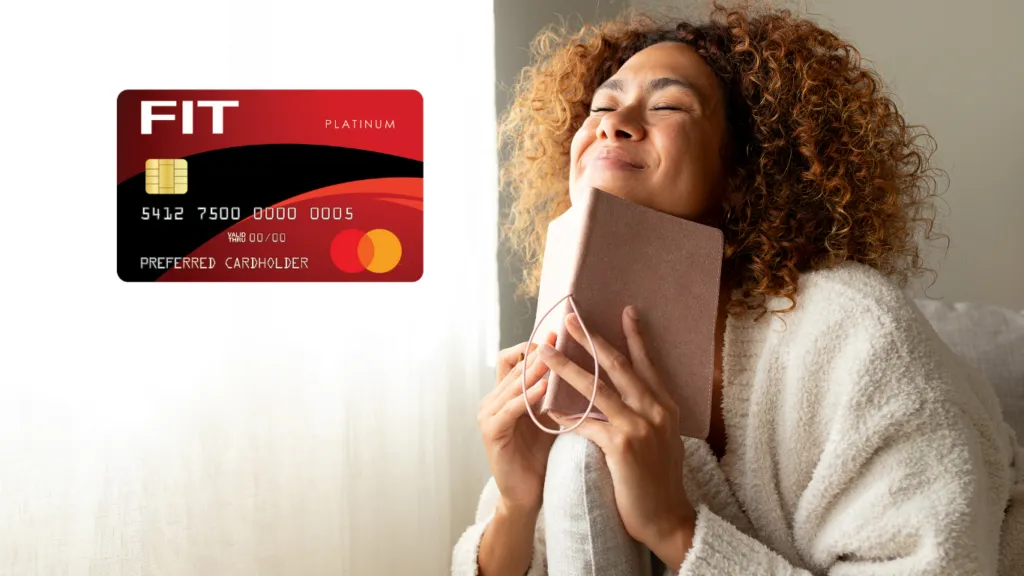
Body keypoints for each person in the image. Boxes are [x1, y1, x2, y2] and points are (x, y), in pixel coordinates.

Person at [453, 4, 1023, 575]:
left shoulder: (855, 331)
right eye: (602, 104)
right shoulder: (579, 324)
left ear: (744, 173)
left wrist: (672, 525)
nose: (612, 121)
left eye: (667, 105)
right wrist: (514, 506)